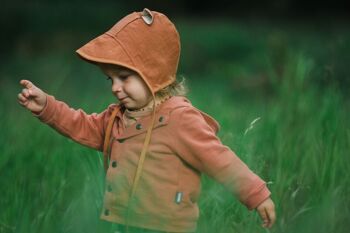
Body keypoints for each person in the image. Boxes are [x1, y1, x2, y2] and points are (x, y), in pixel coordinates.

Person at [17, 8, 276, 233]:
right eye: (111, 79)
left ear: (153, 71)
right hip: (121, 223)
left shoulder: (179, 118)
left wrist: (257, 195)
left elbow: (220, 160)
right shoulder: (116, 117)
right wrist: (47, 107)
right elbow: (81, 124)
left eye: (124, 77)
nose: (115, 88)